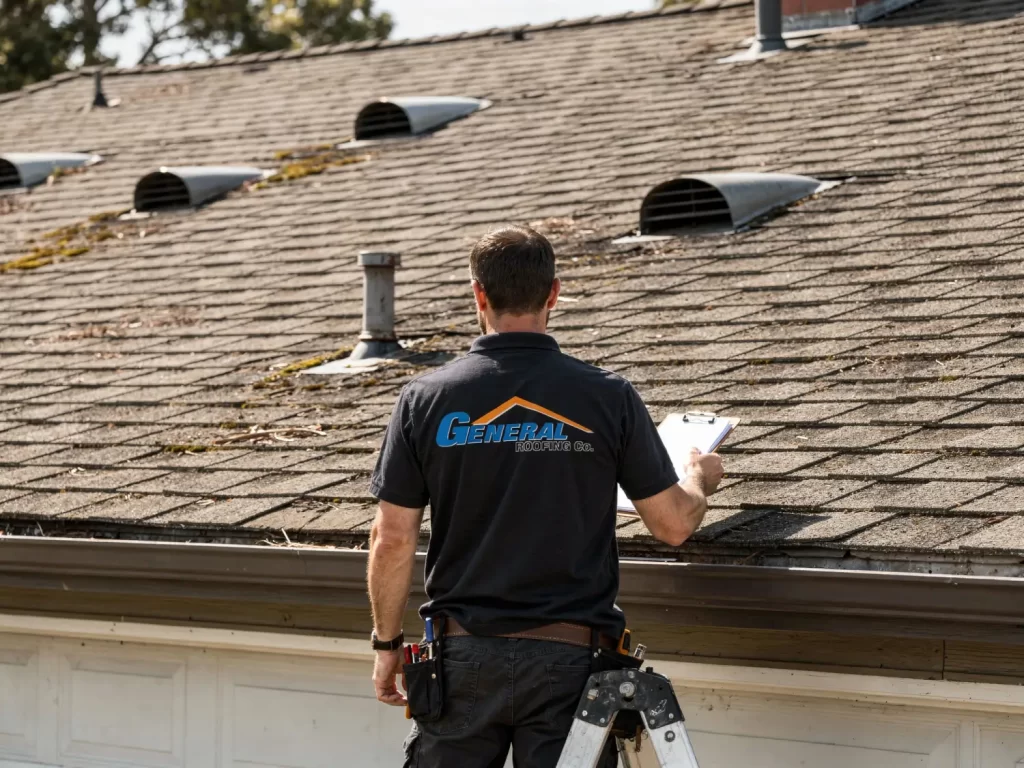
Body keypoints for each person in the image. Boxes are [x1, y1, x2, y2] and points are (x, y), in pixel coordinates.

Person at [367, 224, 724, 768]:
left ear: (478, 294)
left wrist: (387, 646)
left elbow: (392, 537)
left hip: (463, 660)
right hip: (570, 666)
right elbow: (673, 524)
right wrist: (699, 477)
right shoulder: (606, 397)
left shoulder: (426, 398)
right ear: (553, 293)